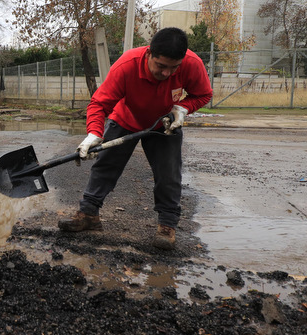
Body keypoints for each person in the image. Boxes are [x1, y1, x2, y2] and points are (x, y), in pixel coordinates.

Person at [57, 27, 212, 249]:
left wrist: (183, 108)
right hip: (125, 118)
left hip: (165, 124)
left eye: (173, 68)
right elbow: (100, 103)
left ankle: (167, 226)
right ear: (149, 54)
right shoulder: (127, 65)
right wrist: (94, 132)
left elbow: (204, 94)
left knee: (168, 174)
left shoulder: (192, 64)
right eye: (161, 66)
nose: (167, 73)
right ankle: (89, 214)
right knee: (106, 165)